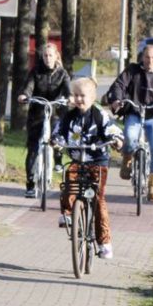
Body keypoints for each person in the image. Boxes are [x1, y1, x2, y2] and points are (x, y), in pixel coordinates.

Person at [52, 77, 123, 259]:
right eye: (75, 95)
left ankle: (104, 242)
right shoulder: (69, 116)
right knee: (70, 182)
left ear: (92, 97)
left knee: (98, 199)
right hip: (77, 159)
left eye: (83, 96)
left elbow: (112, 129)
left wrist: (116, 140)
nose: (79, 99)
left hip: (97, 161)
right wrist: (56, 141)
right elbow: (59, 131)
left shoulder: (99, 115)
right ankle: (68, 213)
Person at [105, 43, 153, 202]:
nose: (150, 61)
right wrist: (117, 100)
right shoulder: (132, 70)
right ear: (142, 57)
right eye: (147, 57)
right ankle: (127, 159)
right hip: (134, 113)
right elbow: (119, 85)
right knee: (130, 137)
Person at [17, 43, 71, 198]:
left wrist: (70, 97)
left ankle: (58, 159)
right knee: (33, 148)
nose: (48, 58)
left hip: (55, 112)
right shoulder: (36, 71)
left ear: (56, 56)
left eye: (50, 55)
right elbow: (28, 87)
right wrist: (24, 95)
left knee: (57, 136)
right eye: (45, 56)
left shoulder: (62, 73)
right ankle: (30, 184)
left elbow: (67, 88)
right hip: (37, 113)